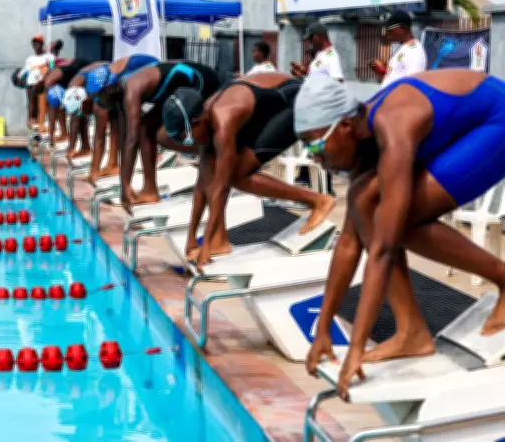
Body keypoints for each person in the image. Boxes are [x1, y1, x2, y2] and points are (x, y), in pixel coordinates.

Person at [294, 72, 505, 401]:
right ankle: (411, 331)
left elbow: (383, 250)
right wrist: (323, 327)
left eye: (315, 142)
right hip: (467, 122)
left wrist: (356, 347)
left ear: (344, 126)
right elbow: (350, 242)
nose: (313, 154)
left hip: (498, 119)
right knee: (364, 205)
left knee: (395, 223)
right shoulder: (362, 143)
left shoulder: (393, 129)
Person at [161, 73, 335, 267]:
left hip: (298, 102)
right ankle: (219, 240)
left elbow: (222, 186)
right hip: (269, 107)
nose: (191, 145)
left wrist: (205, 245)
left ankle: (318, 201)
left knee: (237, 175)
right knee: (212, 172)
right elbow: (201, 184)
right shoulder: (204, 118)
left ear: (196, 122)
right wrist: (191, 237)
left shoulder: (222, 120)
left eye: (187, 139)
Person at [112, 61, 223, 213]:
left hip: (201, 81)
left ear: (109, 91)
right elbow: (126, 139)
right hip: (177, 87)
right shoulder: (120, 92)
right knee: (146, 128)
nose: (98, 103)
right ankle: (150, 190)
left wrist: (124, 184)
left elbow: (132, 140)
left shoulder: (132, 91)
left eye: (98, 97)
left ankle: (216, 153)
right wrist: (123, 182)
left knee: (165, 136)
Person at [63, 55, 159, 182]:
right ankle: (113, 164)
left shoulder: (99, 98)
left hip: (153, 72)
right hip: (124, 72)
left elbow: (99, 138)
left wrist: (94, 171)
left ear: (84, 102)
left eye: (79, 113)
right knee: (117, 120)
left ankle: (154, 156)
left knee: (134, 128)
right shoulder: (97, 92)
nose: (81, 117)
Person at [291, 22, 342, 196]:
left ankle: (326, 186)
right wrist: (304, 74)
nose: (309, 43)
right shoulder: (321, 56)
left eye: (311, 39)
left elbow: (337, 82)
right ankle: (306, 176)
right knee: (312, 146)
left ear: (318, 36)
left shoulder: (331, 56)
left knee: (320, 147)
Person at [30, 58, 92, 149]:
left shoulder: (49, 82)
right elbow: (53, 107)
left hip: (84, 71)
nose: (33, 91)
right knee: (61, 106)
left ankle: (78, 147)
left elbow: (52, 109)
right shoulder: (48, 78)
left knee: (76, 112)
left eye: (34, 88)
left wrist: (51, 135)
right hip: (77, 72)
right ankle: (65, 134)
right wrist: (51, 134)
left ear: (39, 82)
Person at [369, 11, 427, 87]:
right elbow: (397, 77)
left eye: (389, 30)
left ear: (402, 28)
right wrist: (382, 70)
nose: (386, 33)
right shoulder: (404, 48)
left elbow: (413, 85)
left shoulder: (414, 52)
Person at [24, 35, 54, 132]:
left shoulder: (49, 56)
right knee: (31, 99)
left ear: (42, 44)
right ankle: (31, 120)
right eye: (34, 42)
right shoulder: (29, 59)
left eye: (38, 42)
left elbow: (52, 69)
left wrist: (43, 78)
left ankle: (38, 121)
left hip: (43, 84)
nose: (36, 44)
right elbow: (27, 73)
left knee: (42, 102)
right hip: (32, 84)